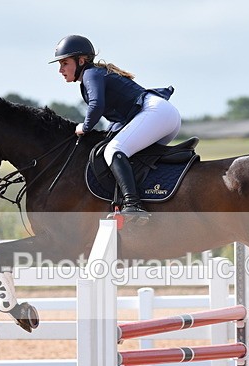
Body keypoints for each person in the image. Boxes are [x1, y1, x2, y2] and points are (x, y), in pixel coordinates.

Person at [49, 35, 181, 224]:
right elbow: (117, 121)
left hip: (156, 113)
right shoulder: (94, 74)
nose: (60, 70)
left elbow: (96, 105)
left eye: (64, 63)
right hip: (164, 117)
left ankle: (133, 204)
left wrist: (84, 127)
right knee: (129, 156)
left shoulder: (90, 74)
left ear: (81, 61)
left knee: (115, 150)